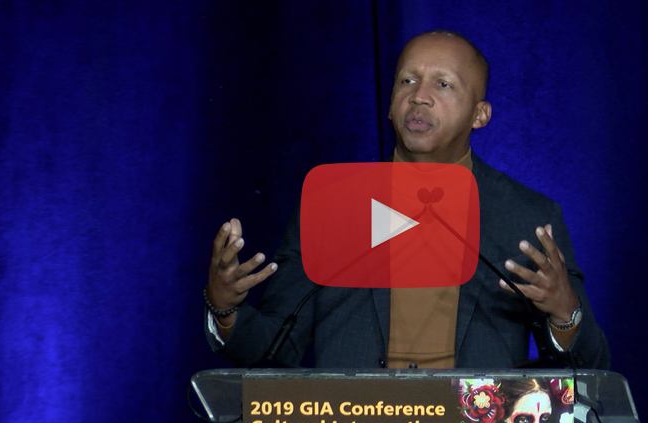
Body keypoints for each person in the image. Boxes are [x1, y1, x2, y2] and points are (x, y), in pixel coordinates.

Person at [204, 30, 609, 370]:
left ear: (480, 115)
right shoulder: (331, 208)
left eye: (443, 84)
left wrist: (565, 313)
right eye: (407, 81)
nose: (419, 97)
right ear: (390, 106)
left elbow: (590, 367)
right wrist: (225, 310)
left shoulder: (525, 215)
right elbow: (274, 349)